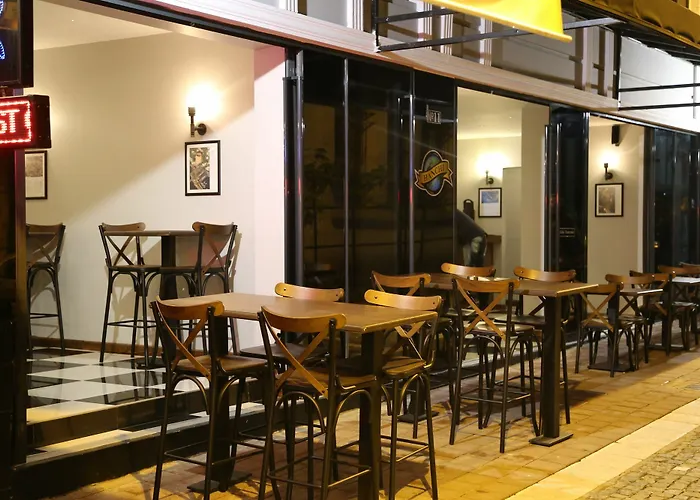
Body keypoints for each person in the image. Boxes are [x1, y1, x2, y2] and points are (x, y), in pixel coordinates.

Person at [455, 200, 487, 266]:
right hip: (479, 236)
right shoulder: (456, 213)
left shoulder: (453, 214)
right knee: (476, 266)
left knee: (472, 266)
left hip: (475, 238)